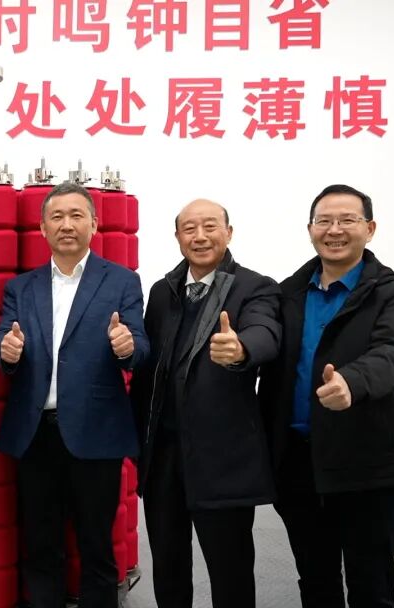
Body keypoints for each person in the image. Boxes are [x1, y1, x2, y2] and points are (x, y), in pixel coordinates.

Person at [261, 184, 394, 608]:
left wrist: (353, 381)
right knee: (316, 583)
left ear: (370, 228)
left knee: (371, 587)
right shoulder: (287, 294)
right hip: (298, 465)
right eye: (324, 221)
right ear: (310, 229)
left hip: (367, 464)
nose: (334, 230)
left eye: (347, 220)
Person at [0, 181, 148, 608]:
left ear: (94, 225)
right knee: (40, 543)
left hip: (96, 433)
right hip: (36, 434)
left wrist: (127, 346)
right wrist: (6, 351)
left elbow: (139, 345)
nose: (66, 224)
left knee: (97, 546)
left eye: (77, 215)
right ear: (42, 228)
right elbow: (3, 339)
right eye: (56, 217)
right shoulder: (21, 288)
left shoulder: (121, 281)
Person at [129, 199, 281, 608]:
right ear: (177, 237)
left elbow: (266, 330)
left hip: (222, 457)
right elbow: (149, 369)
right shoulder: (163, 291)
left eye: (210, 226)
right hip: (164, 456)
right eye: (189, 228)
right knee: (168, 566)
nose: (200, 236)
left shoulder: (255, 286)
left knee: (230, 570)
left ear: (229, 232)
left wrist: (242, 348)